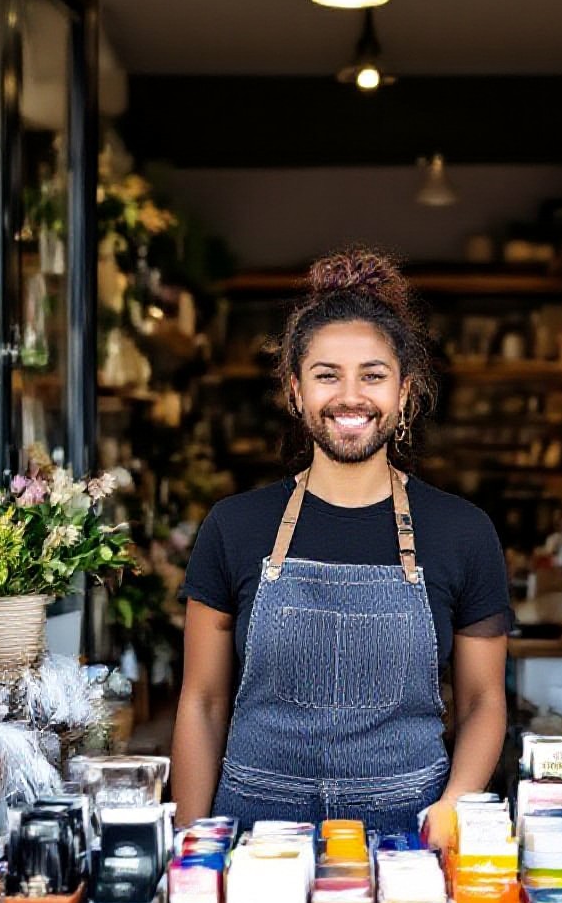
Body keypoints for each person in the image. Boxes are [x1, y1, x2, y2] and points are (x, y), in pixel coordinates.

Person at [172, 247, 509, 849]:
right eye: (327, 374)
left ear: (404, 393)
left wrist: (454, 804)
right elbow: (202, 700)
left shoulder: (462, 531)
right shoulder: (235, 526)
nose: (350, 397)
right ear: (295, 390)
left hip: (405, 838)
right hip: (255, 838)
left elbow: (483, 700)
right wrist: (191, 846)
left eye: (372, 376)